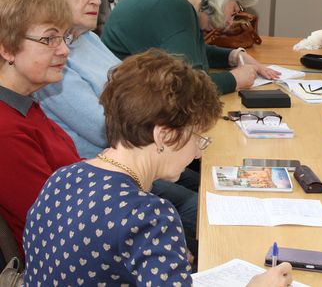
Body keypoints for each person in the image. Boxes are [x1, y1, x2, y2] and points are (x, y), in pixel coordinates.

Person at [23, 49, 293, 286]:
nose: (198, 152)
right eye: (197, 137)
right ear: (163, 135)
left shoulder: (62, 178)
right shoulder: (149, 215)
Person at [36, 0, 201, 238]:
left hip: (139, 149)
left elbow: (136, 89)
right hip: (107, 172)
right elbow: (105, 128)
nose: (96, 0)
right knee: (197, 206)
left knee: (205, 180)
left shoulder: (89, 39)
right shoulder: (54, 59)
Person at [101, 0, 279, 94]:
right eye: (234, 11)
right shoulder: (174, 7)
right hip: (128, 100)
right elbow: (185, 87)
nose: (230, 22)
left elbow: (183, 50)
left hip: (124, 91)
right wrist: (234, 79)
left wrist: (232, 56)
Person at [0, 0, 80, 256]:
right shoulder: (6, 131)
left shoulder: (24, 104)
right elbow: (56, 222)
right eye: (49, 38)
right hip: (60, 260)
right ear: (7, 48)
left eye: (64, 37)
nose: (64, 50)